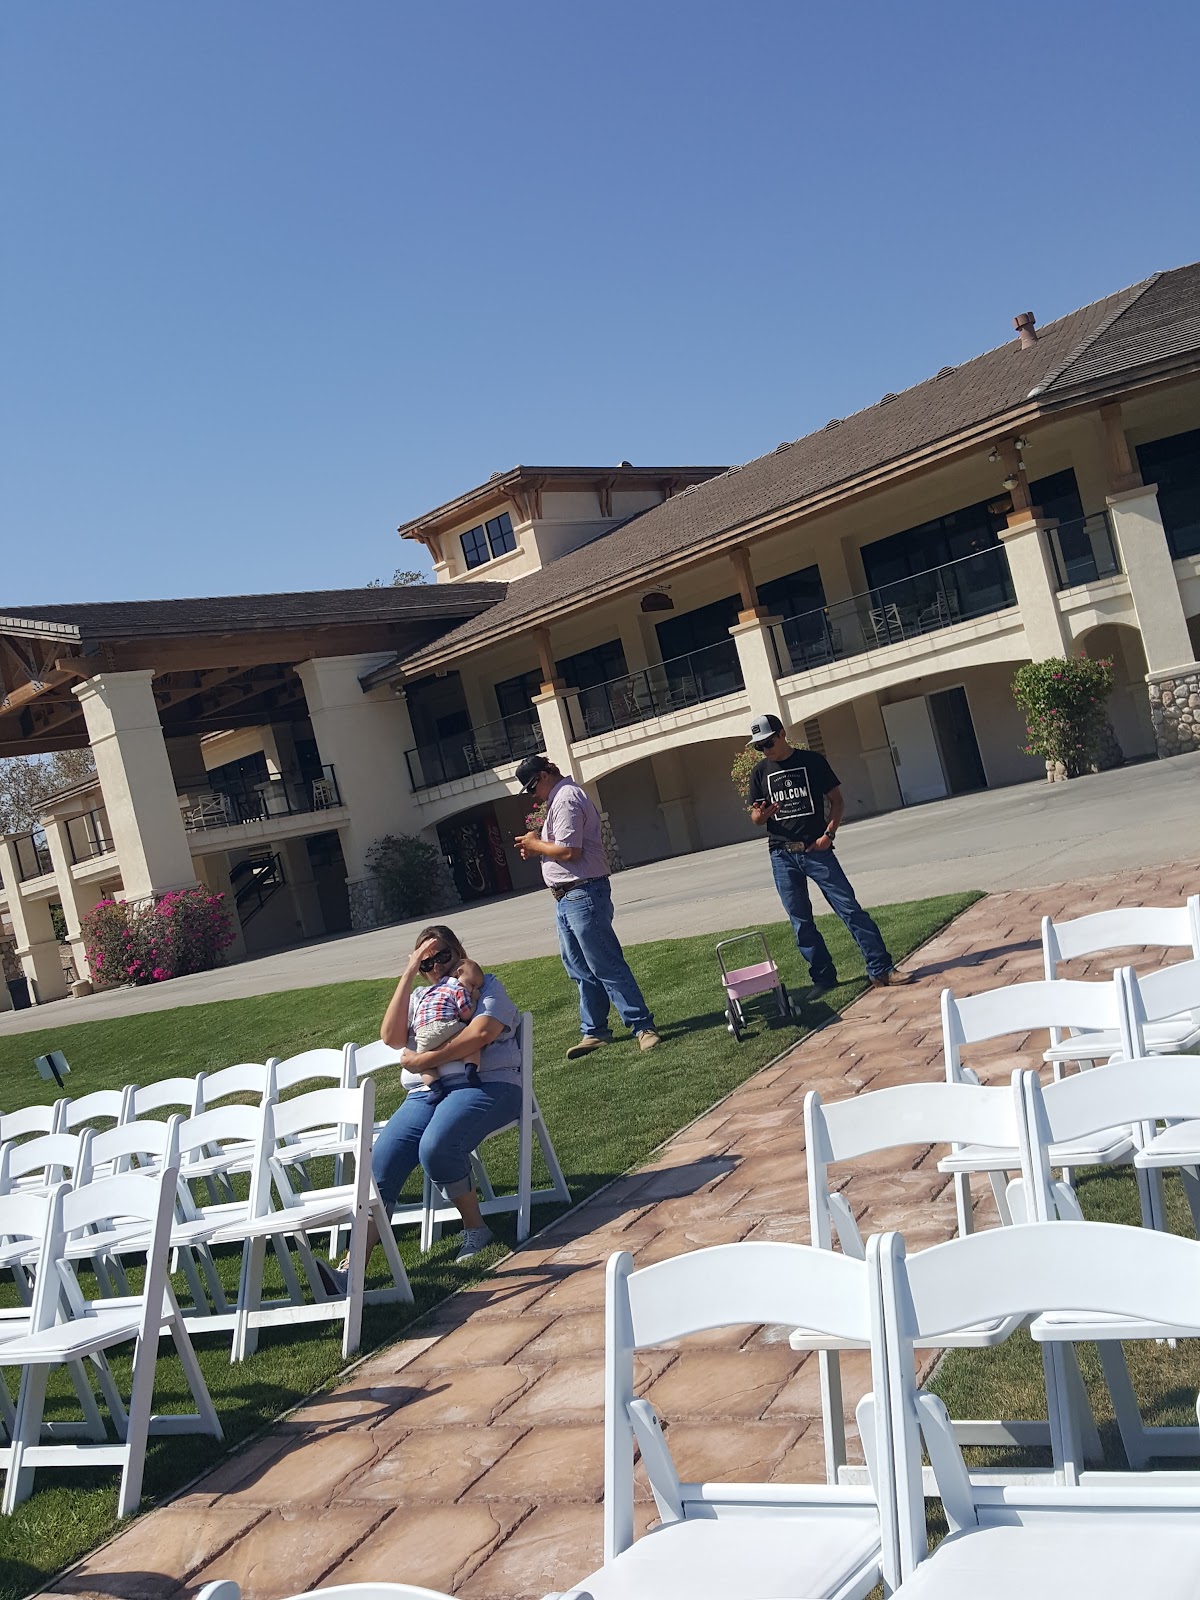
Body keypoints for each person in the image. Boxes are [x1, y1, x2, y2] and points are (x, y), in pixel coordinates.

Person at [317, 924, 523, 1289]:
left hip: (488, 1084)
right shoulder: (419, 998)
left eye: (443, 955)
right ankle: (351, 1271)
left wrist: (421, 1060)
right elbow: (390, 1037)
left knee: (436, 1146)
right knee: (380, 1162)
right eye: (427, 962)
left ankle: (476, 1228)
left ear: (458, 950)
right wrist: (408, 972)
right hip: (425, 1094)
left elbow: (480, 1034)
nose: (437, 966)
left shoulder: (485, 984)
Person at [745, 712, 911, 993]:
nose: (765, 750)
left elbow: (837, 801)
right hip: (781, 855)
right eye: (759, 746)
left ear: (782, 734)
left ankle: (881, 969)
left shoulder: (812, 761)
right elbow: (755, 817)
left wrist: (828, 835)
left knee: (850, 909)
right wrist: (762, 816)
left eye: (768, 743)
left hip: (816, 850)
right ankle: (823, 979)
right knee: (801, 922)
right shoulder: (760, 772)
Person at [513, 752, 661, 1060]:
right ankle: (595, 1031)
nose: (533, 795)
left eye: (532, 788)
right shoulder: (559, 798)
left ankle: (642, 1026)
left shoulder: (566, 798)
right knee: (580, 968)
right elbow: (560, 846)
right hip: (568, 896)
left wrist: (535, 845)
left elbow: (570, 851)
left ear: (543, 776)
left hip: (582, 892)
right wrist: (538, 844)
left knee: (605, 962)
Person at [405, 956, 486, 1105]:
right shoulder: (459, 988)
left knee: (422, 1065)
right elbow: (466, 1014)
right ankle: (471, 1068)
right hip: (446, 1025)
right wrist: (474, 1000)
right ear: (458, 974)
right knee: (471, 1040)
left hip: (422, 1033)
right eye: (472, 984)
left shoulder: (430, 991)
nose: (473, 989)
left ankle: (436, 1088)